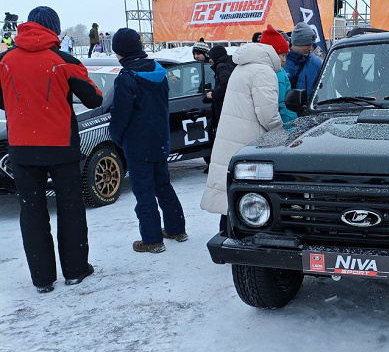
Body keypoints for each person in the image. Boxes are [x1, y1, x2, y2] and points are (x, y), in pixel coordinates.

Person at [0, 6, 103, 292]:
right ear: (53, 29)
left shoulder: (4, 60)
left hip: (21, 148)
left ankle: (42, 279)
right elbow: (94, 98)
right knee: (70, 208)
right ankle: (75, 270)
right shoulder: (63, 60)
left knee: (31, 212)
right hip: (61, 147)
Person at [109, 28, 187, 254]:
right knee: (164, 186)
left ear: (121, 52)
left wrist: (118, 138)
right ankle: (176, 229)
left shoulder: (126, 78)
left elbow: (120, 115)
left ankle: (152, 239)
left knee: (144, 193)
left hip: (137, 144)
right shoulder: (159, 72)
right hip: (160, 140)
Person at [201, 41, 281, 218]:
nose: (283, 61)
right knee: (251, 202)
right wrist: (281, 132)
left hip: (232, 136)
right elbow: (267, 115)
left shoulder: (242, 68)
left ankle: (226, 233)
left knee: (230, 198)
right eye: (282, 56)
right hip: (250, 141)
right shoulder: (263, 72)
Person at [260, 24, 296, 123]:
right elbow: (282, 104)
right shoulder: (278, 73)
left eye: (286, 55)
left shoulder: (258, 69)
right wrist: (290, 128)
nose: (284, 60)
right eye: (282, 55)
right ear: (273, 55)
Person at [205, 45, 236, 140]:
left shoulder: (221, 66)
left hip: (224, 107)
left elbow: (225, 81)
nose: (210, 60)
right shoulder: (230, 63)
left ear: (216, 57)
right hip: (232, 107)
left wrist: (213, 94)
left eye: (211, 57)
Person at [285, 22, 323, 100]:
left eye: (311, 45)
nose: (311, 48)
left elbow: (325, 90)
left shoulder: (316, 64)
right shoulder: (282, 61)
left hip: (309, 110)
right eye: (308, 45)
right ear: (297, 43)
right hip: (286, 111)